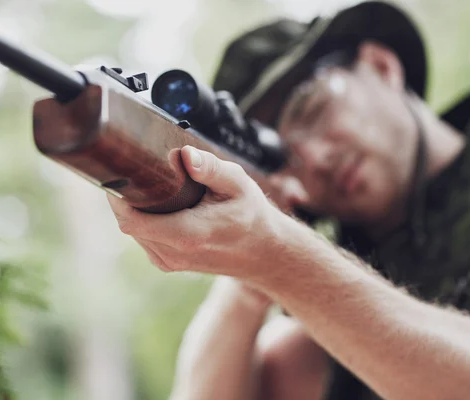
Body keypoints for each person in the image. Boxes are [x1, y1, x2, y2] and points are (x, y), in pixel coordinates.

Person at [107, 1, 470, 399]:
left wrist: (281, 257)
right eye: (284, 159)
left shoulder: (331, 296)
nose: (313, 159)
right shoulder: (325, 325)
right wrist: (249, 274)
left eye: (313, 109)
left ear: (382, 65)